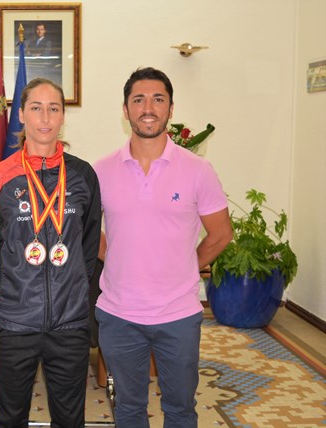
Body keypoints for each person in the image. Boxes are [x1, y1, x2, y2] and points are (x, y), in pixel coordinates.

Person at [94, 67, 233, 428]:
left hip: (179, 316)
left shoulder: (198, 170)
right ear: (125, 110)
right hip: (118, 315)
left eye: (158, 99)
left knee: (181, 410)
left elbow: (220, 235)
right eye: (138, 99)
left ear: (170, 108)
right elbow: (88, 231)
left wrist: (186, 263)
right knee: (127, 408)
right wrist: (116, 256)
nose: (148, 107)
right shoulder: (101, 171)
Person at [0, 77, 101, 427]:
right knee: (10, 420)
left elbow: (89, 246)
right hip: (13, 323)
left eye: (54, 108)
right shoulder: (0, 178)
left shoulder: (82, 176)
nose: (45, 117)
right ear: (21, 114)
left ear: (63, 115)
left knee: (69, 420)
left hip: (69, 323)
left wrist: (76, 292)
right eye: (36, 108)